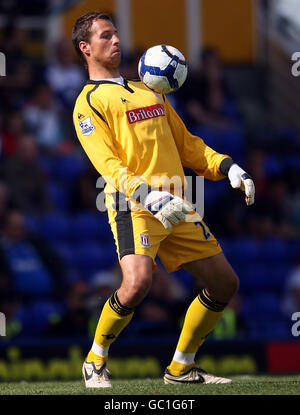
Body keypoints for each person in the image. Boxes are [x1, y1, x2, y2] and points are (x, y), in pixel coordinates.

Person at [72, 11, 255, 388]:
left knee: (225, 284)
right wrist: (147, 195)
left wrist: (228, 167)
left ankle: (181, 368)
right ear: (85, 48)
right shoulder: (88, 103)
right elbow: (108, 165)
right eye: (106, 36)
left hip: (178, 203)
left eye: (117, 34)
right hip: (133, 204)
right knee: (137, 283)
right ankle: (95, 360)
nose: (117, 41)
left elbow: (188, 147)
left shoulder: (149, 89)